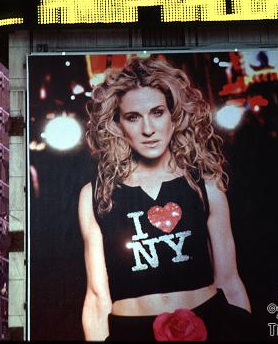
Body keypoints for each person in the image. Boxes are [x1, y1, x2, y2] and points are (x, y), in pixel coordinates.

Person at [78, 56, 252, 341]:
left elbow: (230, 282)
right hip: (131, 333)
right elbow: (97, 298)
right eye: (133, 117)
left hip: (209, 325)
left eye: (157, 112)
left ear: (174, 116)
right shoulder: (96, 194)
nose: (148, 129)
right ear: (118, 124)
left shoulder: (206, 186)